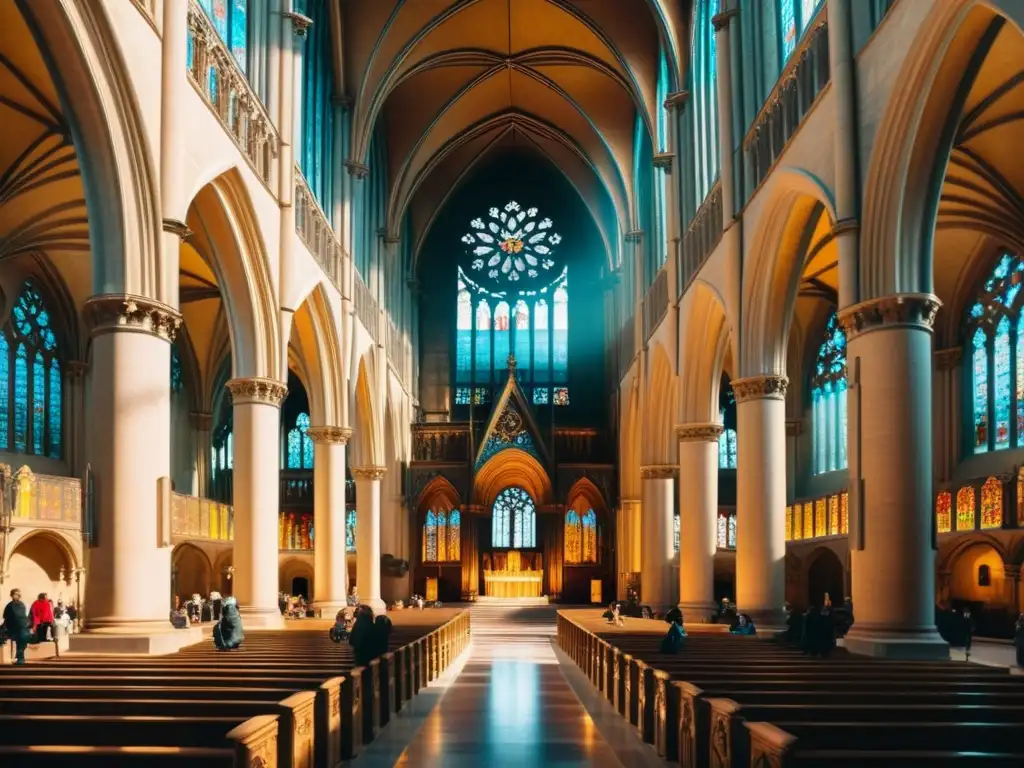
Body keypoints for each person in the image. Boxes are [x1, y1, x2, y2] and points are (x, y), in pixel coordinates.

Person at [2, 589, 30, 664]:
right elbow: (6, 617)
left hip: (22, 626)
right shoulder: (9, 605)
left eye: (18, 594)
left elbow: (24, 615)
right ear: (11, 595)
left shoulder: (22, 604)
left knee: (23, 640)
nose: (17, 596)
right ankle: (20, 658)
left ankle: (20, 657)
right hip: (14, 627)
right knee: (21, 640)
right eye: (15, 594)